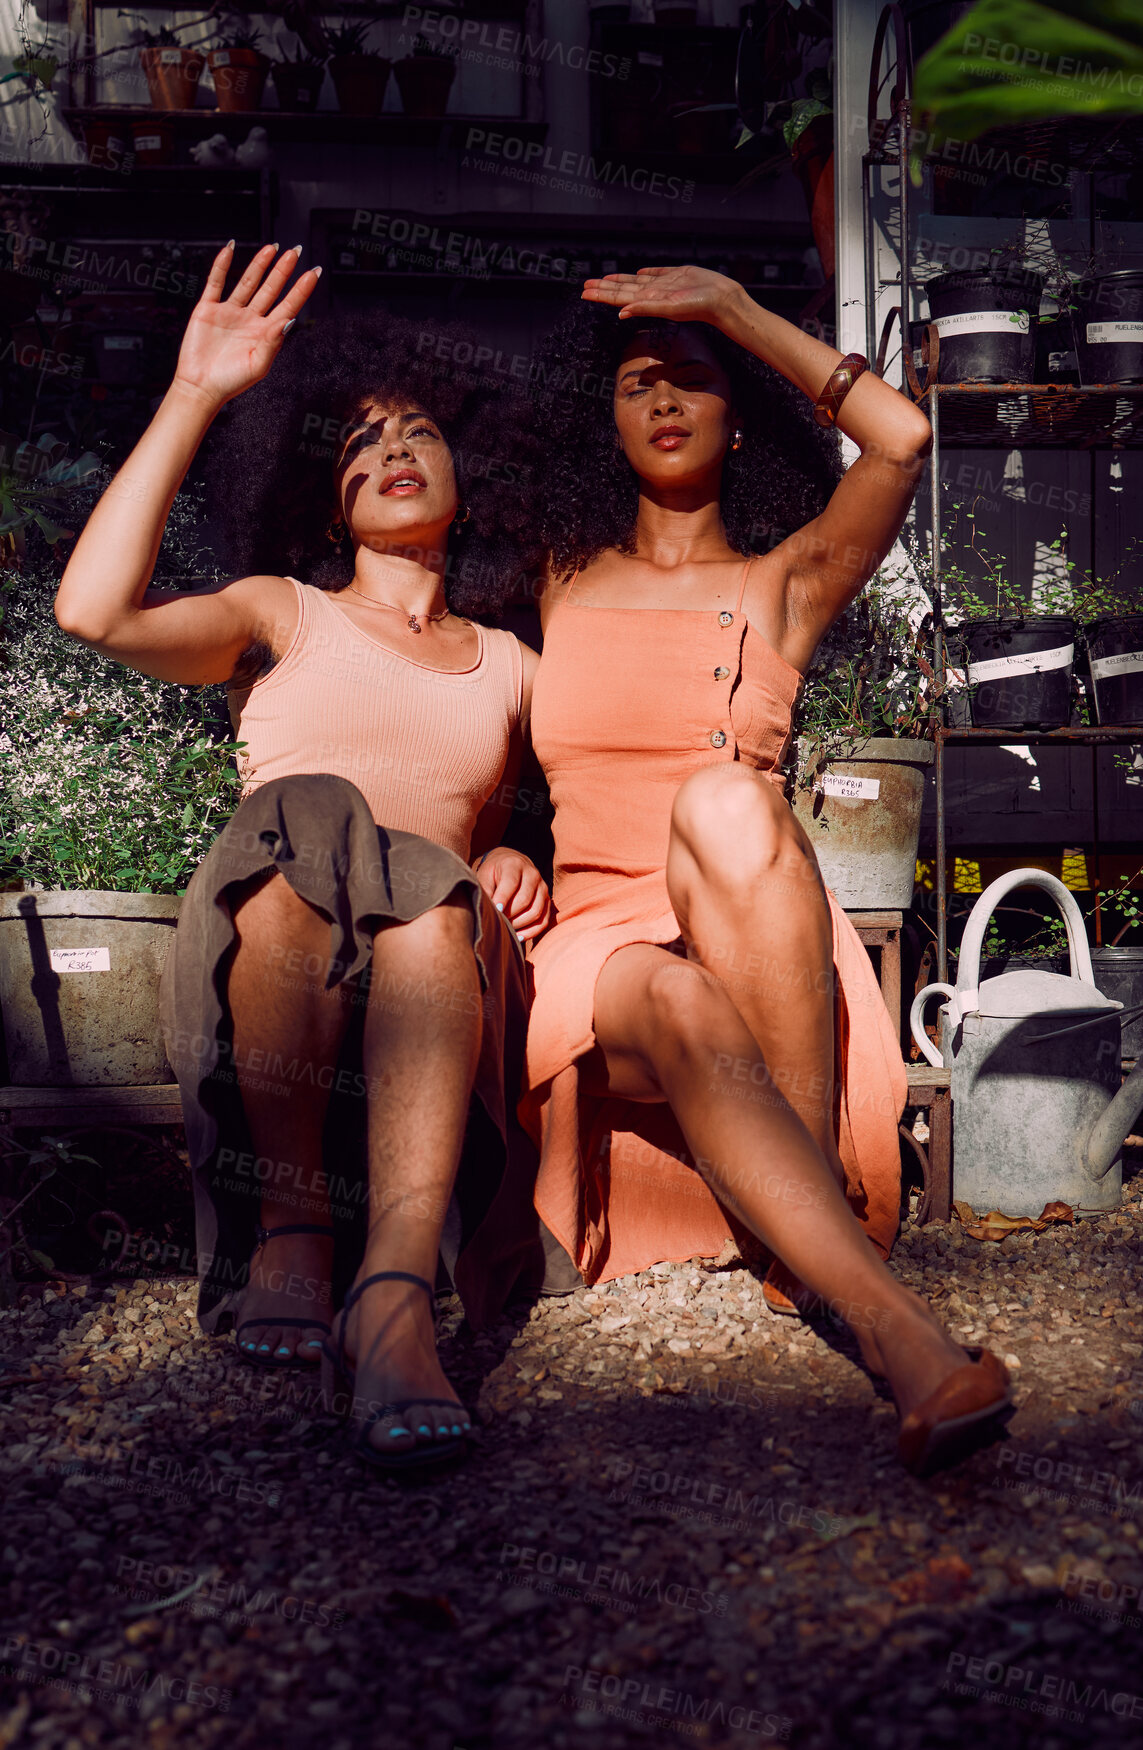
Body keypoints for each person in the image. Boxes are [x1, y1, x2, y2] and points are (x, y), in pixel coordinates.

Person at [54, 242, 554, 1470]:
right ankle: (292, 1231)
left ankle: (388, 1292)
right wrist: (196, 391)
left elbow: (589, 795)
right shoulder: (286, 609)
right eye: (356, 441)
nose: (388, 449)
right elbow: (92, 613)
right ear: (327, 501)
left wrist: (520, 849)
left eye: (417, 430)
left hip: (432, 956)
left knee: (434, 897)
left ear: (467, 478)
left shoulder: (512, 661)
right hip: (276, 927)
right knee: (310, 818)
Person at [519, 265, 1011, 1475]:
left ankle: (802, 1227)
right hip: (603, 952)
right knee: (665, 974)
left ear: (742, 415)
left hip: (755, 927)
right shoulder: (552, 576)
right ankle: (896, 1328)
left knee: (729, 796)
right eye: (641, 381)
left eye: (697, 379)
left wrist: (733, 311)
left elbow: (899, 438)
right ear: (609, 421)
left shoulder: (777, 585)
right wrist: (486, 839)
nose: (669, 396)